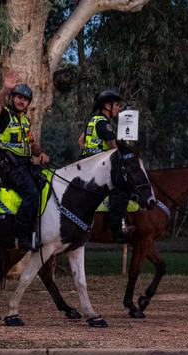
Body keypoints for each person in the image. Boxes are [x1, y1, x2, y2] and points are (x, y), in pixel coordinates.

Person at [0, 69, 50, 251]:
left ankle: (35, 231)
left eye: (25, 99)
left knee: (44, 187)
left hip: (23, 165)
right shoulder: (4, 116)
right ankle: (20, 236)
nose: (21, 100)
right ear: (12, 98)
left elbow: (32, 144)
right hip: (9, 166)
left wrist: (41, 153)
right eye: (18, 97)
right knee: (31, 193)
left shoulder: (25, 121)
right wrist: (5, 89)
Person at [77, 89, 134, 242]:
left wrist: (91, 152)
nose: (118, 108)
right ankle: (118, 227)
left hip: (85, 163)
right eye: (116, 105)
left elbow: (80, 142)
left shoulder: (92, 120)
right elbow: (114, 149)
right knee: (122, 189)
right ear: (107, 106)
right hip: (98, 166)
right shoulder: (104, 124)